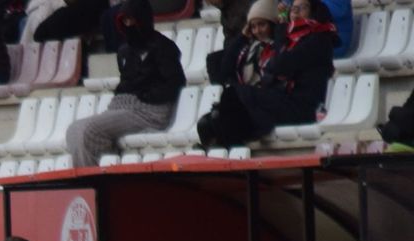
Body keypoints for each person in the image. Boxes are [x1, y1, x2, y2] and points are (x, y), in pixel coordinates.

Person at [64, 0, 187, 168]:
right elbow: (126, 82)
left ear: (142, 19)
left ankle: (95, 175)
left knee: (89, 130)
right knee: (73, 130)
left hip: (150, 111)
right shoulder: (124, 51)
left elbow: (175, 82)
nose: (128, 25)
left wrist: (146, 95)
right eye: (125, 21)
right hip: (124, 106)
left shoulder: (163, 47)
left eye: (132, 20)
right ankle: (93, 171)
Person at [199, 0, 336, 149]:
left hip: (301, 106)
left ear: (313, 11)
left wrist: (281, 29)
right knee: (210, 121)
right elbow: (224, 72)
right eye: (294, 8)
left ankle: (228, 148)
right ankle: (221, 147)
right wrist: (243, 38)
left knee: (233, 99)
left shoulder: (318, 40)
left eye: (302, 7)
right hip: (279, 100)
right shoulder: (283, 40)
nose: (296, 12)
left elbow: (279, 65)